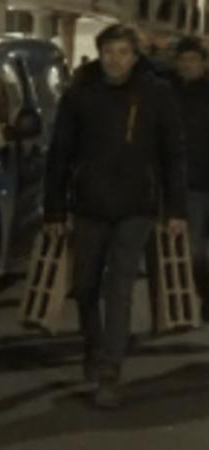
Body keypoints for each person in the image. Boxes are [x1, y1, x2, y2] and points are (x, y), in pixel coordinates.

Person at [44, 24, 187, 409]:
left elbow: (173, 153)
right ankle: (94, 346)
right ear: (100, 52)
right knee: (86, 286)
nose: (115, 59)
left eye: (123, 52)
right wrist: (54, 208)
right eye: (109, 51)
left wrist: (176, 209)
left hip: (137, 206)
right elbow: (59, 155)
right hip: (89, 205)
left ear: (135, 56)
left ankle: (111, 372)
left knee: (119, 286)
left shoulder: (157, 94)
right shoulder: (79, 95)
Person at [170, 36, 209, 318]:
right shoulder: (168, 93)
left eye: (193, 60)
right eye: (183, 60)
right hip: (190, 183)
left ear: (204, 63)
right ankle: (202, 294)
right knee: (194, 249)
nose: (188, 65)